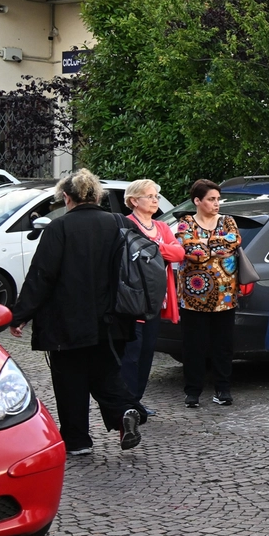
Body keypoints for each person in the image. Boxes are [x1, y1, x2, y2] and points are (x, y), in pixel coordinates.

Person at [9, 169, 142, 455]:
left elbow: (41, 276)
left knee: (70, 381)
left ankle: (78, 440)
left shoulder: (59, 228)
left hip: (67, 322)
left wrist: (20, 315)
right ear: (97, 196)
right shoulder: (120, 223)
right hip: (114, 318)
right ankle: (123, 413)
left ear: (66, 197)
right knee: (105, 373)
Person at [116, 178, 185, 418]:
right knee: (131, 353)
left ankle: (138, 399)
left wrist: (153, 247)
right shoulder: (126, 224)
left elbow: (178, 253)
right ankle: (126, 402)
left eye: (156, 196)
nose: (155, 200)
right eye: (150, 196)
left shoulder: (162, 226)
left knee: (147, 352)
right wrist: (160, 248)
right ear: (134, 201)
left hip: (157, 298)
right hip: (133, 299)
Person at [175, 179, 242, 408]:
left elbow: (234, 240)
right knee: (194, 346)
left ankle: (223, 389)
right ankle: (192, 391)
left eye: (217, 199)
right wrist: (213, 246)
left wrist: (204, 243)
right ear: (197, 201)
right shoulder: (185, 222)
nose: (216, 204)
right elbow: (189, 249)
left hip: (225, 296)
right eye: (211, 199)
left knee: (223, 346)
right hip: (193, 298)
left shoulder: (227, 221)